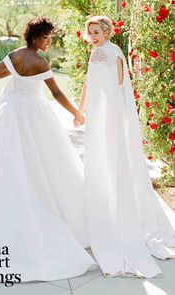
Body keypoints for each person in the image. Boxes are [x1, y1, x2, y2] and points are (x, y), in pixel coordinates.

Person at [0, 16, 98, 283]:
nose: (49, 41)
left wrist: (13, 73)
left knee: (1, 159)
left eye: (50, 37)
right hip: (33, 114)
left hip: (10, 112)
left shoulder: (14, 56)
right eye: (46, 37)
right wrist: (77, 114)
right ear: (35, 36)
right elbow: (57, 95)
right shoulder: (41, 62)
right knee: (40, 162)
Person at [77, 15, 175, 278]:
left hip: (111, 113)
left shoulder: (114, 52)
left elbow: (121, 85)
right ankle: (102, 206)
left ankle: (119, 212)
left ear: (107, 32)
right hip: (96, 115)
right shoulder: (94, 53)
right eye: (91, 33)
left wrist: (117, 116)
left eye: (97, 32)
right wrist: (81, 109)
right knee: (98, 160)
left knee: (114, 159)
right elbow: (88, 81)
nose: (94, 36)